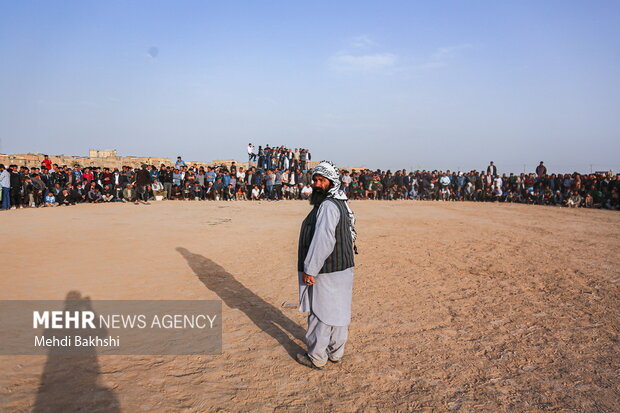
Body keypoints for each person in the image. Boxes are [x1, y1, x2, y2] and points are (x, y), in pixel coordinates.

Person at [296, 160, 357, 370]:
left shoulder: (329, 206)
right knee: (339, 311)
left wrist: (310, 269)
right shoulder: (340, 202)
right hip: (343, 266)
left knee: (321, 314)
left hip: (327, 270)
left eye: (321, 180)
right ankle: (336, 352)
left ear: (332, 182)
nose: (317, 184)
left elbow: (323, 241)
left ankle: (317, 357)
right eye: (315, 180)